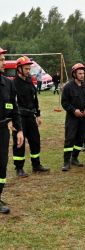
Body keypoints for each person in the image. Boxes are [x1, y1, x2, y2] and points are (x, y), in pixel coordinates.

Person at [12, 56, 49, 177]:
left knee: (35, 141)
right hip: (19, 117)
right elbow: (12, 103)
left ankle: (36, 165)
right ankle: (19, 168)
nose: (28, 71)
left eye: (29, 68)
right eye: (26, 68)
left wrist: (38, 115)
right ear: (19, 69)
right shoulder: (13, 84)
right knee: (20, 143)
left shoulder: (29, 80)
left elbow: (35, 98)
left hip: (30, 116)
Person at [0, 48, 24, 213]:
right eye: (1, 59)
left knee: (1, 165)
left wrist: (20, 130)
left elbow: (14, 108)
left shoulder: (8, 83)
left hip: (2, 129)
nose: (4, 62)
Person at [61, 63, 85, 171]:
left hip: (84, 117)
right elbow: (64, 102)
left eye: (83, 73)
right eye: (80, 73)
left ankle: (74, 158)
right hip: (72, 117)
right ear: (74, 74)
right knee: (70, 139)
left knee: (80, 139)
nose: (82, 75)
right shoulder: (68, 87)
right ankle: (66, 161)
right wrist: (74, 110)